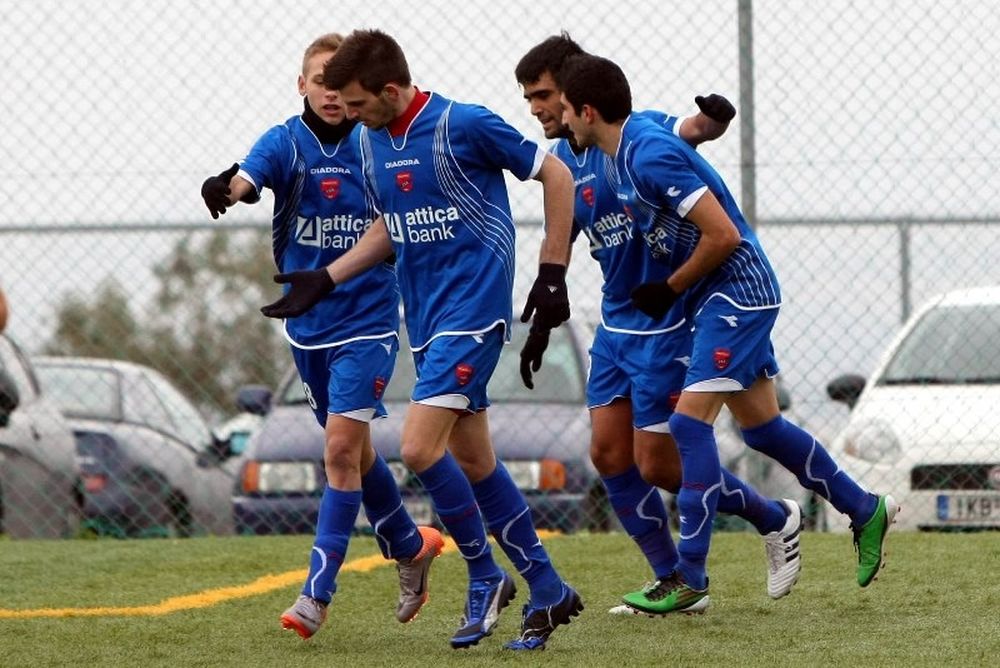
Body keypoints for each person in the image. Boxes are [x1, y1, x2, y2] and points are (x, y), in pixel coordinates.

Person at [259, 29, 582, 651]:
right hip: (428, 322)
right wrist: (325, 278)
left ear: (388, 89)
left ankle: (485, 574)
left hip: (475, 313)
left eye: (355, 104)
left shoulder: (465, 125)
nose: (347, 116)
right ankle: (547, 587)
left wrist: (551, 271)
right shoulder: (374, 141)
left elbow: (558, 174)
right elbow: (392, 226)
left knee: (416, 446)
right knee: (476, 460)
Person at [558, 53, 898, 614]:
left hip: (735, 293)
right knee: (762, 430)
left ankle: (690, 576)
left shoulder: (647, 155)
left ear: (588, 111)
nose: (561, 121)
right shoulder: (623, 148)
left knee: (687, 424)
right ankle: (865, 509)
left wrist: (668, 288)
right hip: (715, 298)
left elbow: (722, 237)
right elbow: (691, 132)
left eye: (564, 109)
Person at [514, 34, 803, 613]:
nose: (538, 109)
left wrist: (710, 119)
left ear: (576, 98)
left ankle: (773, 519)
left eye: (545, 95)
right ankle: (673, 577)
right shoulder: (564, 161)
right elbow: (560, 234)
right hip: (618, 326)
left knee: (659, 462)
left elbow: (687, 132)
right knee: (608, 455)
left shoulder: (633, 136)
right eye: (529, 98)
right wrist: (546, 301)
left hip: (668, 319)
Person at [199, 32, 444, 640]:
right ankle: (411, 547)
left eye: (340, 84)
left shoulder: (374, 143)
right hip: (306, 326)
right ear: (302, 85)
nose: (331, 94)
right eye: (319, 81)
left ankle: (316, 594)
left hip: (368, 317)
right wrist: (227, 187)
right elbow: (249, 177)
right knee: (355, 452)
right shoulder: (286, 140)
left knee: (338, 451)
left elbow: (395, 218)